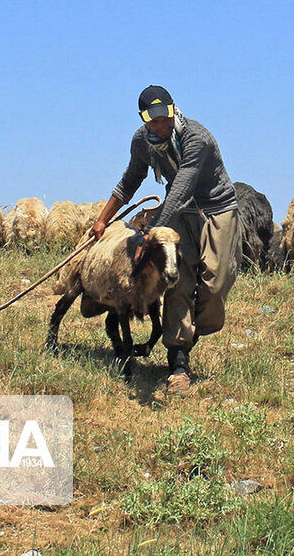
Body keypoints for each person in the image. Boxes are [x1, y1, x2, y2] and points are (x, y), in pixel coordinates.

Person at [92, 85, 242, 388]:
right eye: (153, 121)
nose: (160, 126)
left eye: (165, 118)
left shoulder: (196, 138)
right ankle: (178, 362)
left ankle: (194, 330)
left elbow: (182, 188)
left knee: (215, 281)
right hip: (181, 215)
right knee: (177, 279)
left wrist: (149, 234)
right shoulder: (142, 142)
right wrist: (102, 220)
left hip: (217, 209)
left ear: (173, 111)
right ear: (144, 119)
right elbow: (130, 180)